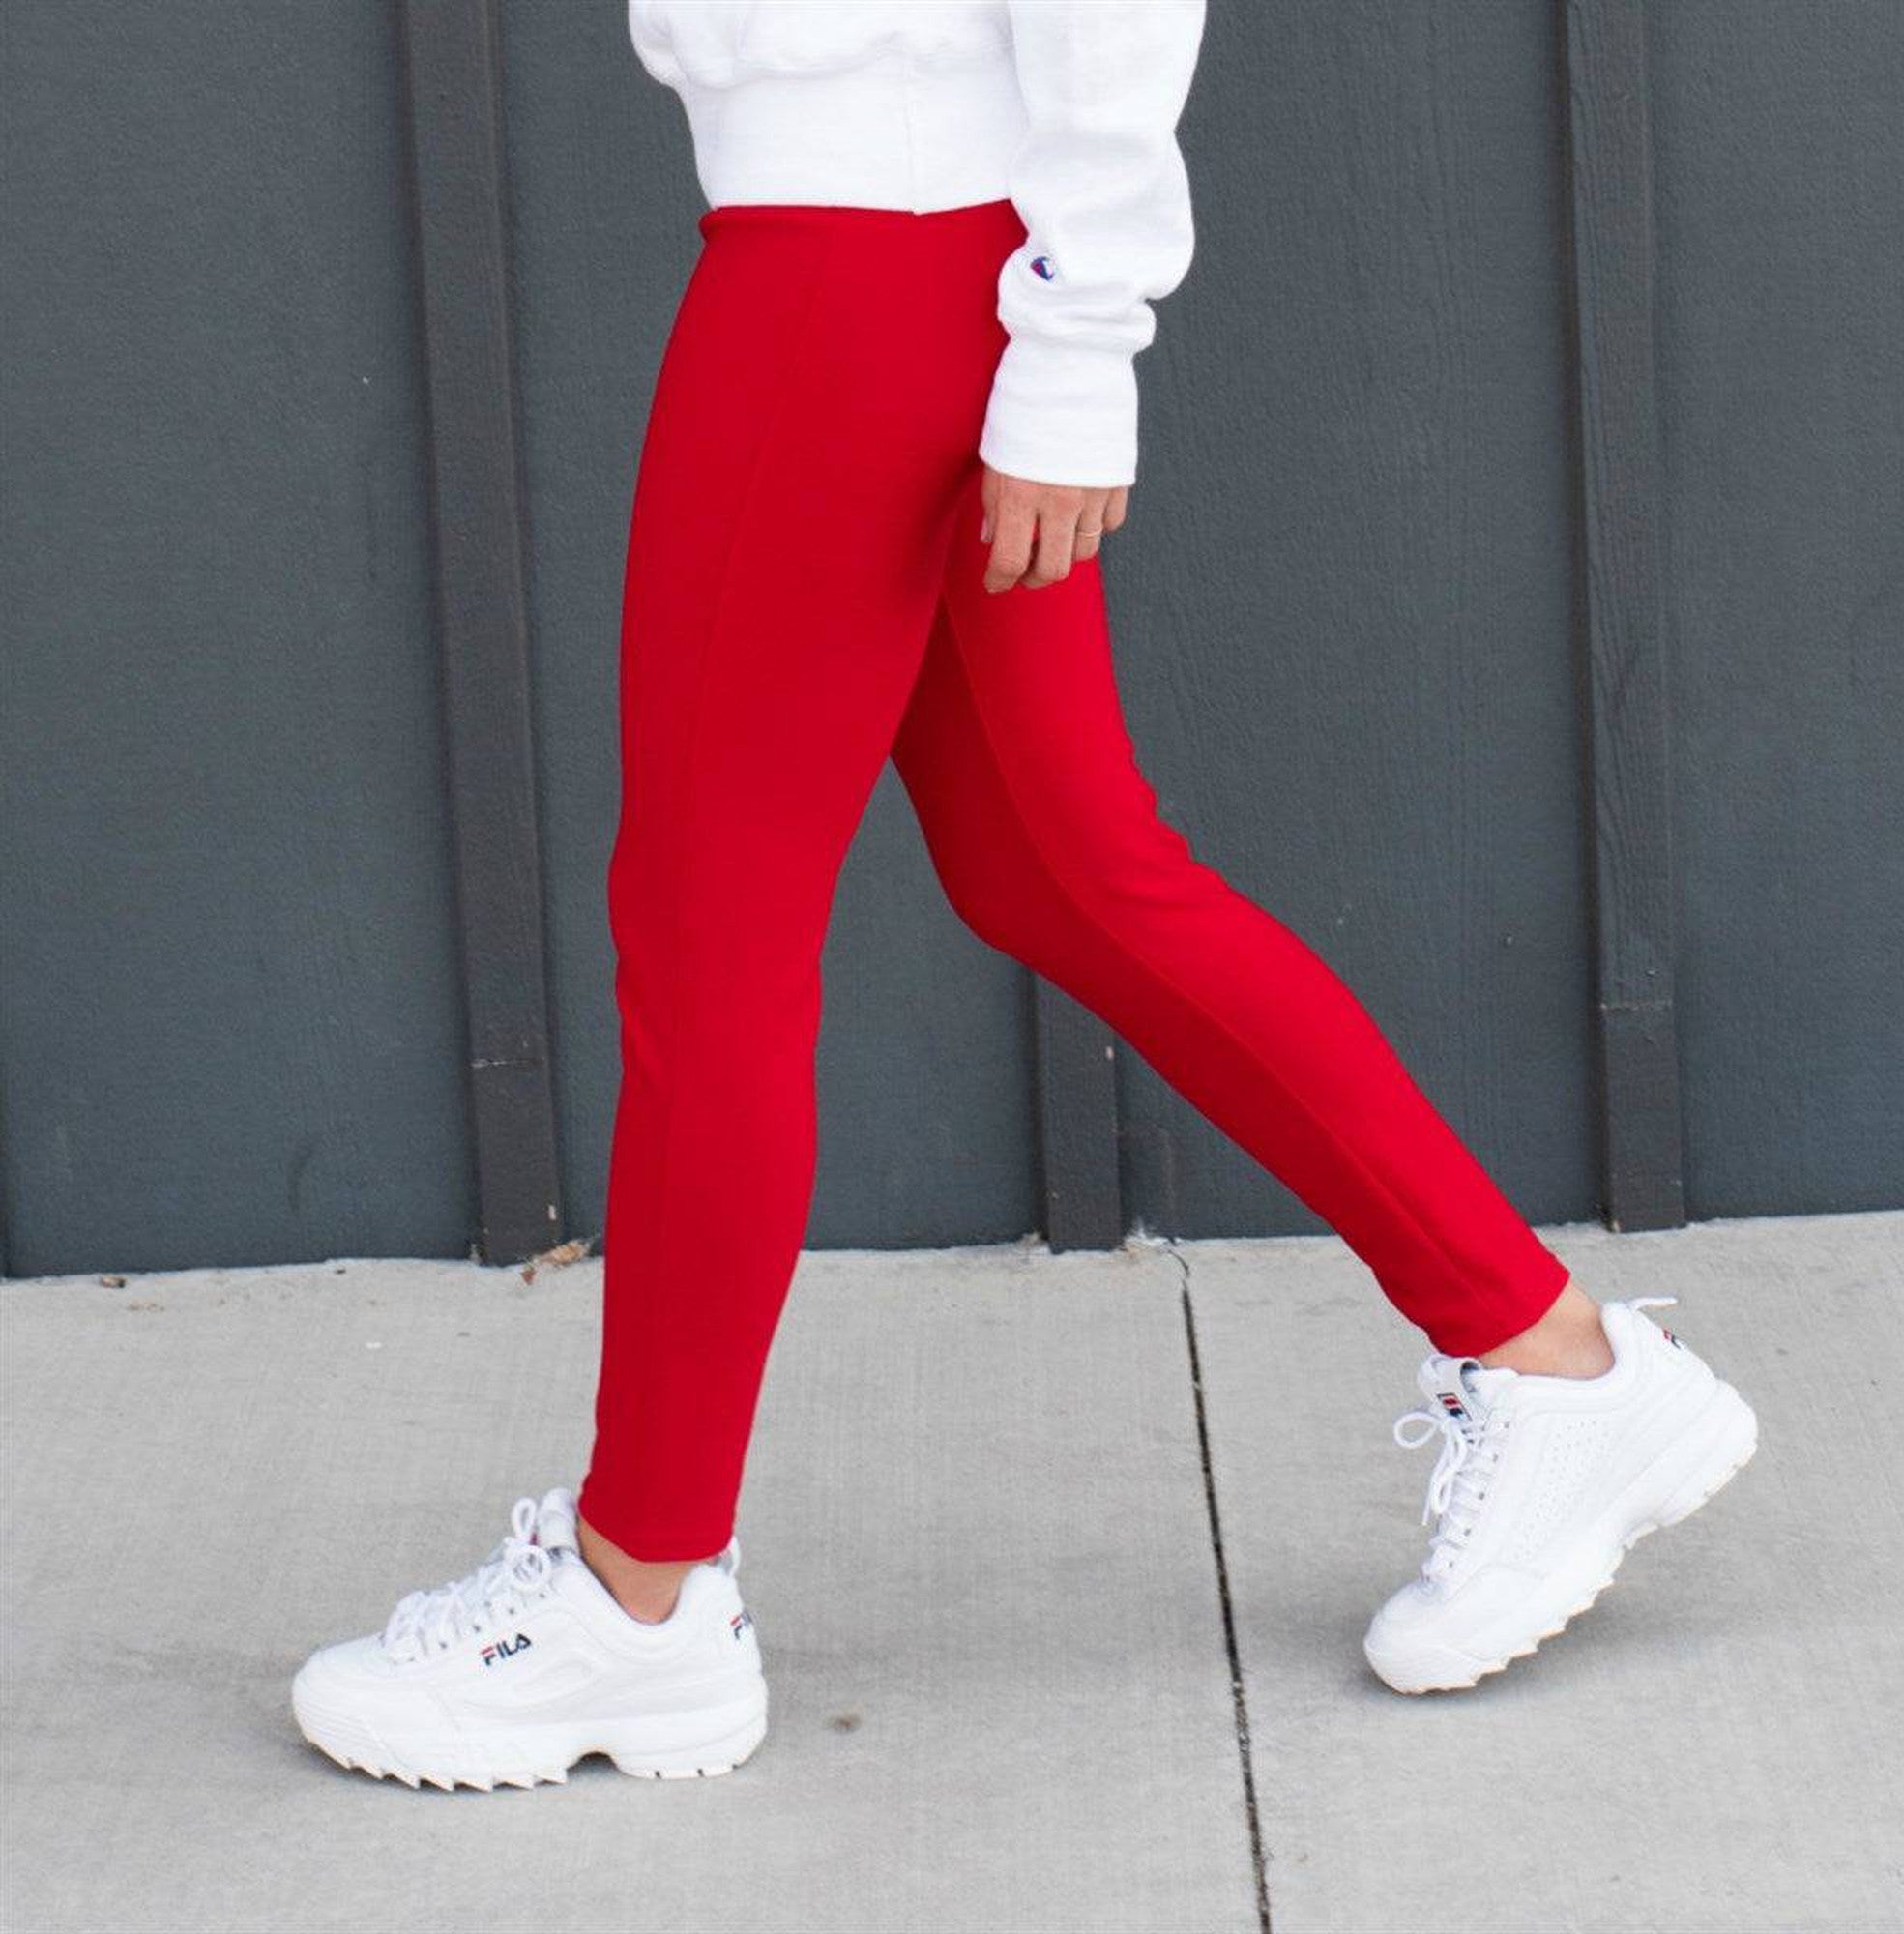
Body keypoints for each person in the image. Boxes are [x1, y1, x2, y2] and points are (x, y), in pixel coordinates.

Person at [292, 1, 1757, 1789]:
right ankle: (1555, 1362)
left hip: (857, 276)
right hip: (881, 256)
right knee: (1061, 871)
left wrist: (1081, 335)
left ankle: (637, 1597)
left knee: (710, 939)